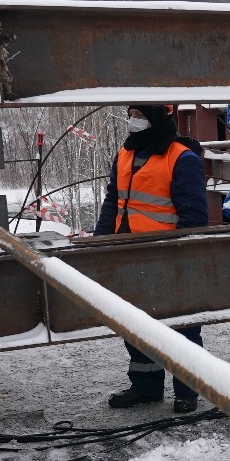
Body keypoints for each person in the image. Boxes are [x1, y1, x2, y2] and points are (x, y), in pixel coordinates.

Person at [93, 103, 210, 413]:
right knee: (134, 325)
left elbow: (194, 215)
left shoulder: (181, 157)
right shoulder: (125, 154)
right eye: (131, 115)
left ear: (157, 118)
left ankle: (187, 391)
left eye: (141, 116)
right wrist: (99, 243)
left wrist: (181, 257)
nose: (134, 121)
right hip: (129, 254)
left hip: (168, 257)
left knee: (181, 326)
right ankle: (146, 388)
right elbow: (113, 202)